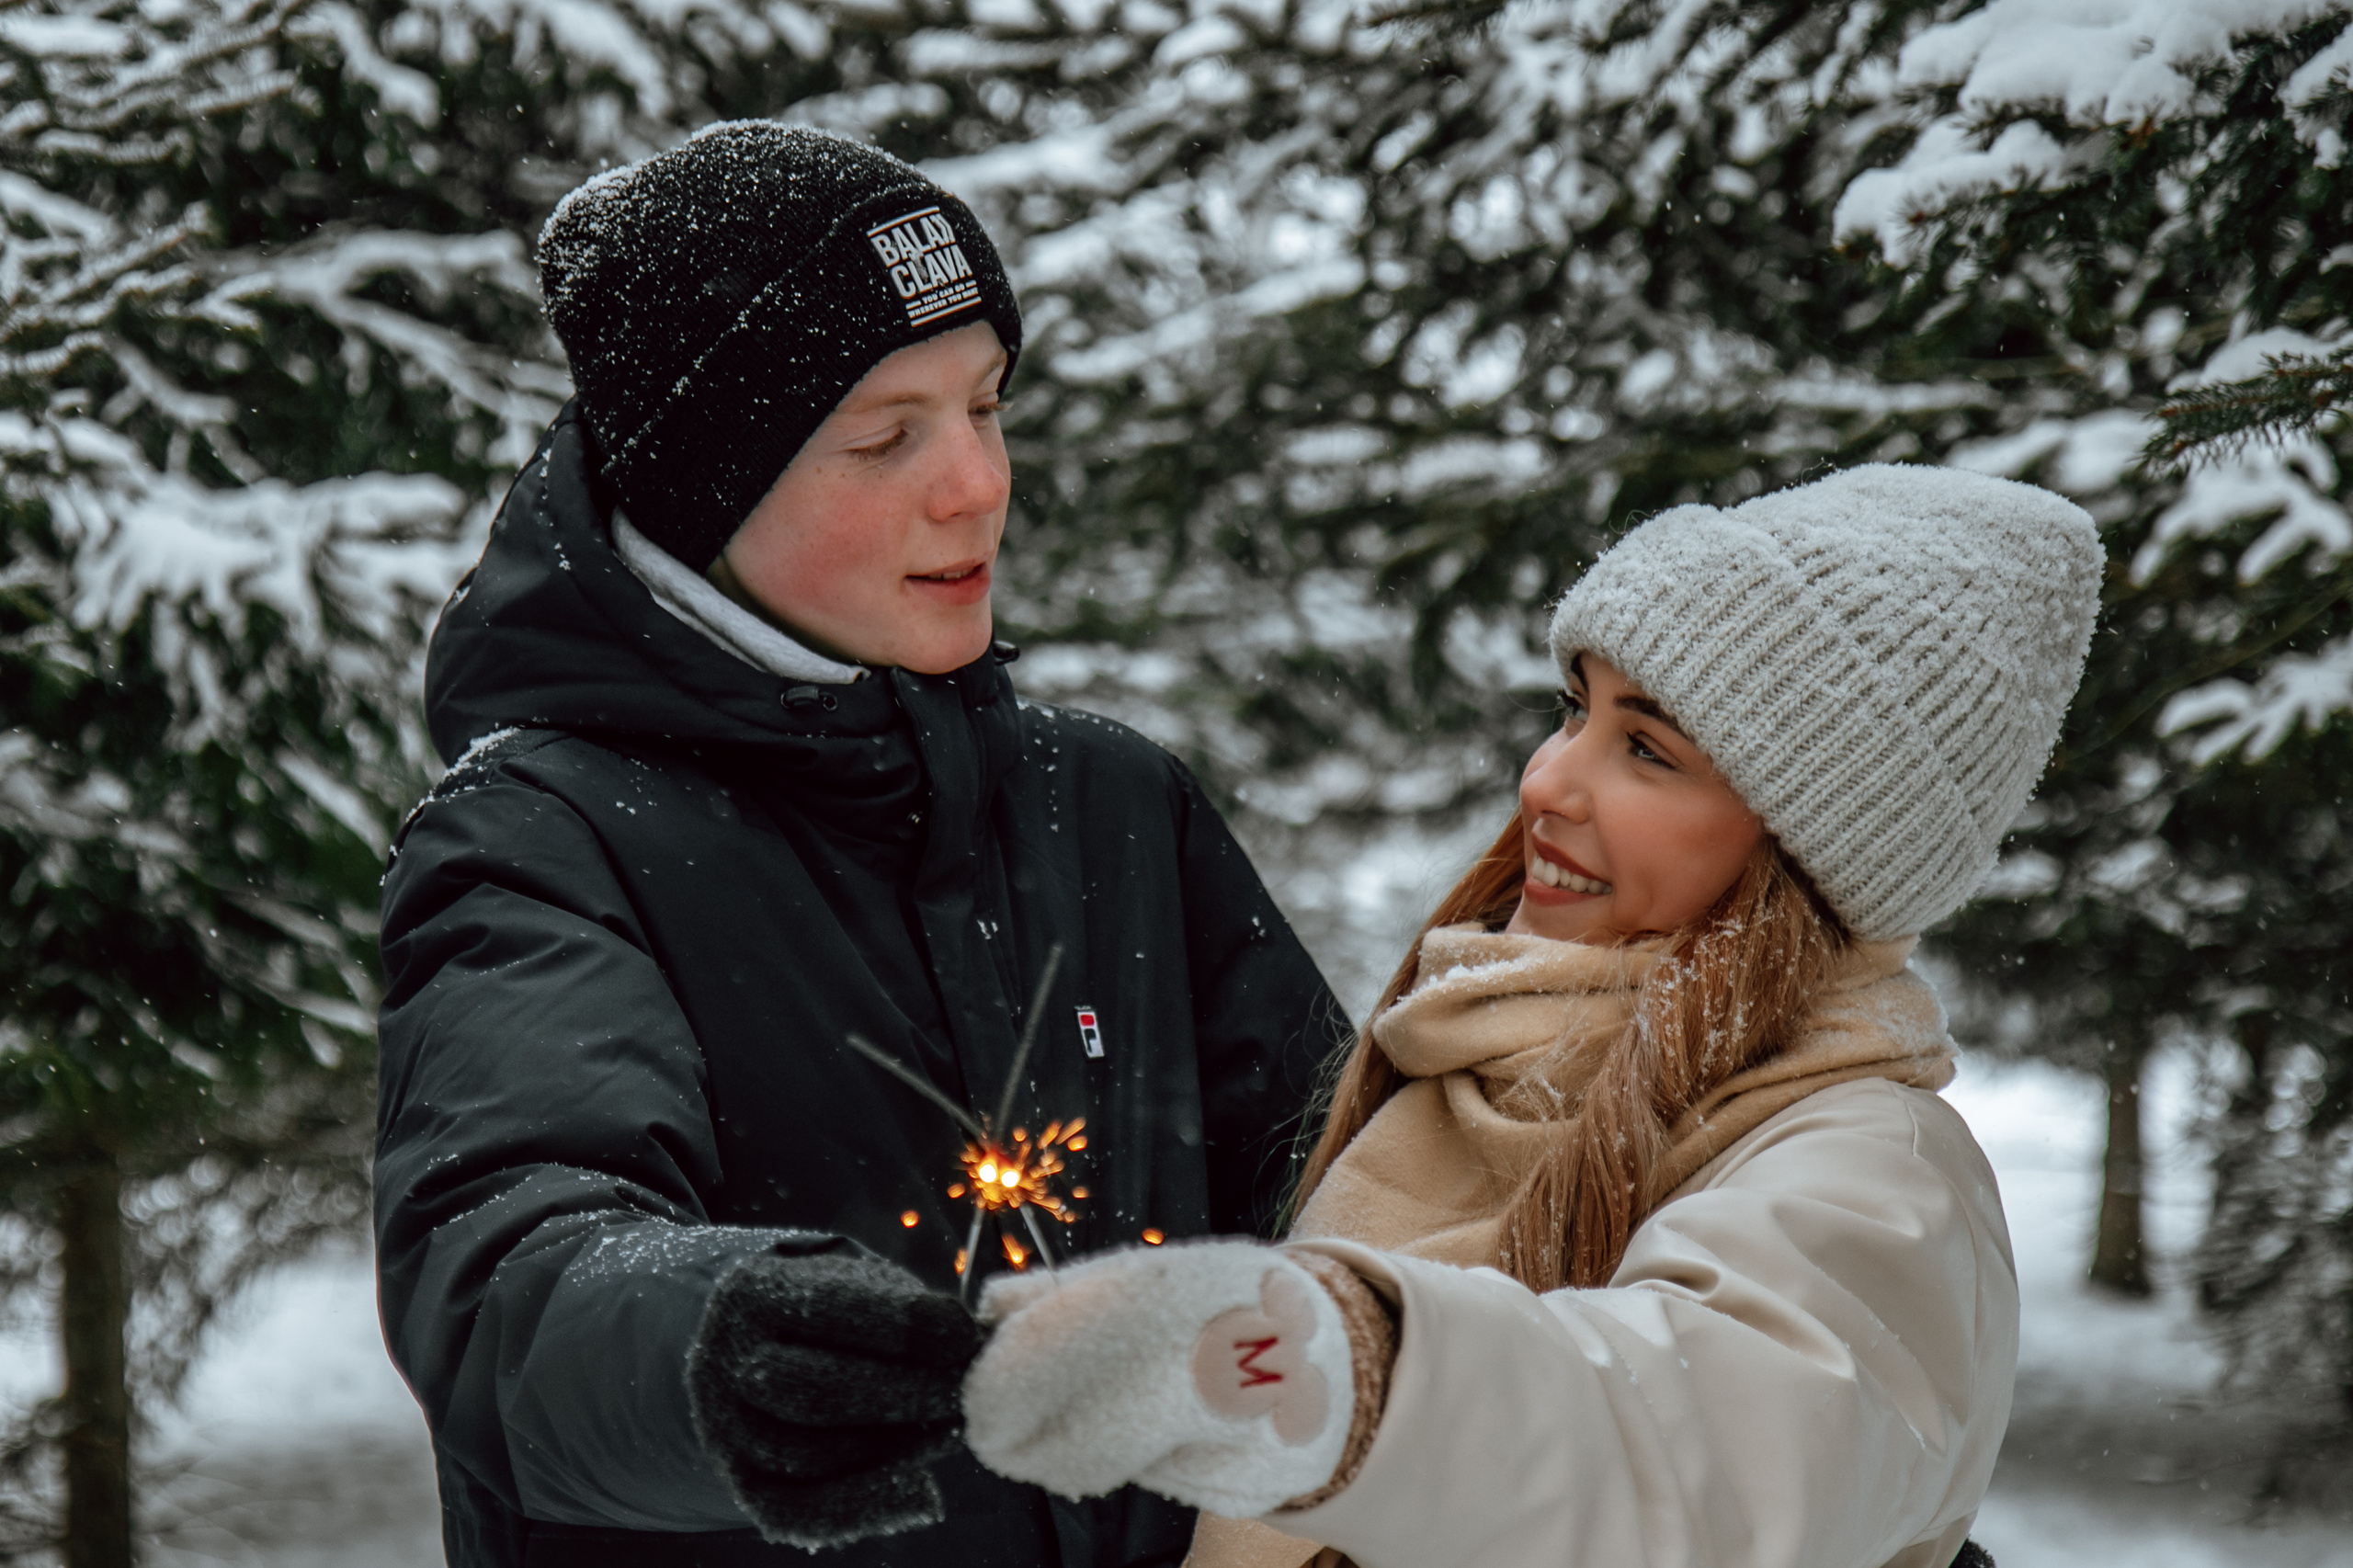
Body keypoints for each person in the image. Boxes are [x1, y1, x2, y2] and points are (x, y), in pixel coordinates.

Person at [372, 121, 1342, 1568]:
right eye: (885, 436)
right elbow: (505, 1255)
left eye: (988, 407)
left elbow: (1366, 1201)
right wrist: (712, 1342)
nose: (975, 484)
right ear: (706, 495)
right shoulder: (548, 834)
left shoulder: (1117, 804)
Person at [961, 464, 2105, 1568]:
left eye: (1646, 749)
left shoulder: (1871, 1168)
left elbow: (1676, 1460)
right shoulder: (1473, 1056)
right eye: (1574, 710)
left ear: (1809, 849)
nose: (1547, 782)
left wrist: (1333, 1372)